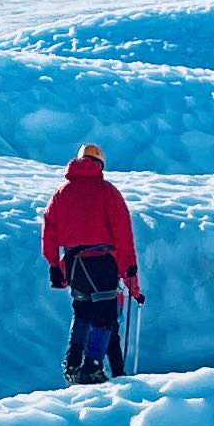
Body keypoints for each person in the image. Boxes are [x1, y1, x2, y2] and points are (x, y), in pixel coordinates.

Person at [41, 141, 142, 381]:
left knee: (83, 310)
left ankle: (73, 360)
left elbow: (49, 230)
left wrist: (54, 265)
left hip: (75, 264)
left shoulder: (61, 193)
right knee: (105, 315)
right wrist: (129, 272)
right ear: (100, 165)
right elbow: (123, 234)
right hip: (102, 262)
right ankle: (93, 365)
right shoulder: (107, 192)